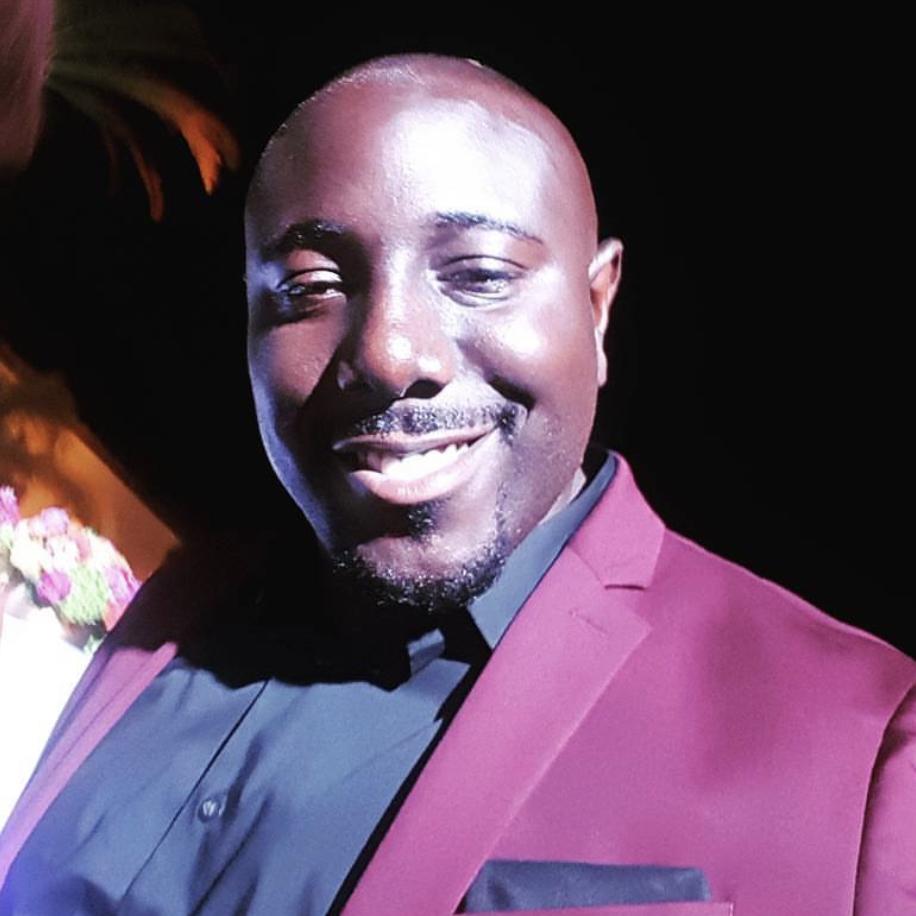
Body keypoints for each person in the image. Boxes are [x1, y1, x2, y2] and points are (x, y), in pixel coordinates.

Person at [1, 53, 914, 915]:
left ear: (597, 309)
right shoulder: (184, 607)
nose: (390, 353)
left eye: (478, 275)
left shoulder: (867, 746)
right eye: (311, 287)